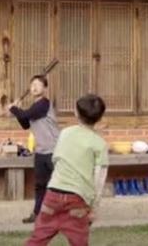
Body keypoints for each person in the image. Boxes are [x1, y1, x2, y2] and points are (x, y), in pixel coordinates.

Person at [26, 94, 108, 246]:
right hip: (77, 198)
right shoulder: (100, 144)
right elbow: (99, 178)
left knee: (37, 239)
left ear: (76, 113)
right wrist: (93, 206)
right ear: (100, 118)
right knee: (79, 242)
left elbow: (56, 159)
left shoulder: (65, 133)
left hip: (53, 194)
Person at [8, 74, 59, 224]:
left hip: (54, 150)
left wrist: (14, 108)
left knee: (59, 184)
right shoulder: (34, 108)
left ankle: (67, 215)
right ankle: (37, 214)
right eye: (32, 85)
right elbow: (25, 123)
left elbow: (25, 114)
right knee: (40, 185)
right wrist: (17, 110)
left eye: (38, 84)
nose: (35, 87)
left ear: (45, 88)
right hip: (41, 151)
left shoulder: (44, 104)